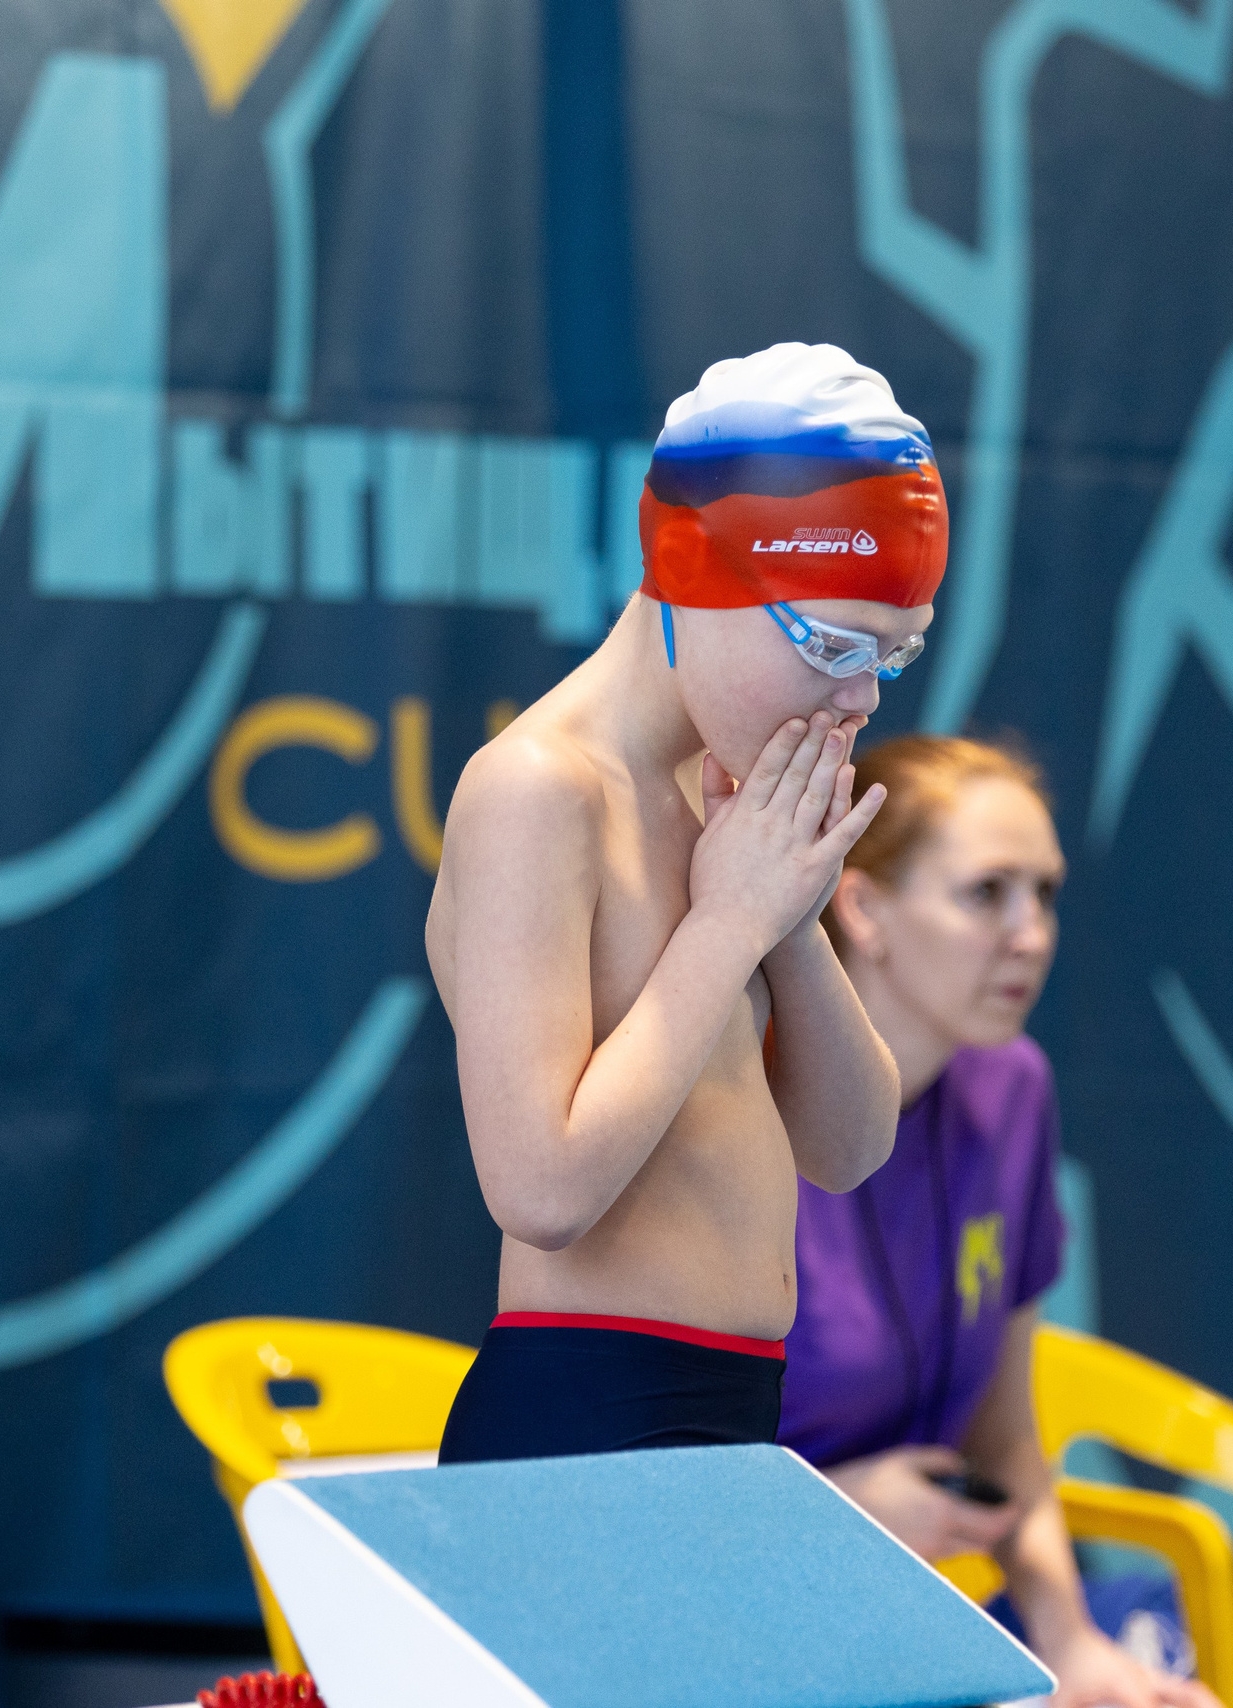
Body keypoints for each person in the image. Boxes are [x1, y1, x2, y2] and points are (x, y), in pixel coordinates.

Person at [425, 343, 941, 1464]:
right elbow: (540, 1189)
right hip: (583, 1415)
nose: (859, 696)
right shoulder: (536, 791)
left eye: (894, 656)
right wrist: (726, 926)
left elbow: (851, 1147)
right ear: (686, 566)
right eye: (832, 643)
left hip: (738, 1411)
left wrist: (786, 923)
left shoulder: (719, 804)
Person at [783, 735, 1219, 1708]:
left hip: (924, 1620)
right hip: (755, 1630)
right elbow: (643, 1497)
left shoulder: (1012, 1088)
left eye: (1044, 893)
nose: (1030, 934)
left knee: (1156, 1662)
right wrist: (841, 1513)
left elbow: (1005, 1435)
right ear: (861, 908)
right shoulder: (741, 1106)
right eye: (986, 893)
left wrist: (1073, 1647)